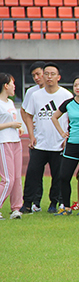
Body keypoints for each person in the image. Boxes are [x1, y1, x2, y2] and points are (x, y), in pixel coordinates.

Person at [20, 63, 73, 214]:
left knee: (59, 176)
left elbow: (72, 118)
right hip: (40, 143)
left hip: (59, 144)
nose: (49, 77)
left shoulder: (66, 95)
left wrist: (66, 137)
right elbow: (28, 115)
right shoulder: (36, 95)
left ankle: (55, 203)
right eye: (47, 74)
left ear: (59, 77)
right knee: (32, 175)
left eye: (53, 74)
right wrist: (31, 136)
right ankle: (28, 204)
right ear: (43, 76)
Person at [51, 75, 79, 216]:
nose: (77, 88)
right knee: (64, 176)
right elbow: (54, 117)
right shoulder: (68, 103)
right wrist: (62, 133)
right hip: (72, 145)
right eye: (75, 85)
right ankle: (66, 207)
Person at [0, 73, 24, 219]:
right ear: (5, 85)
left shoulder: (9, 102)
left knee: (16, 178)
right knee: (7, 179)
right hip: (3, 142)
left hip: (15, 141)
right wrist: (11, 125)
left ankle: (16, 208)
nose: (14, 87)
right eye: (12, 83)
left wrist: (17, 128)